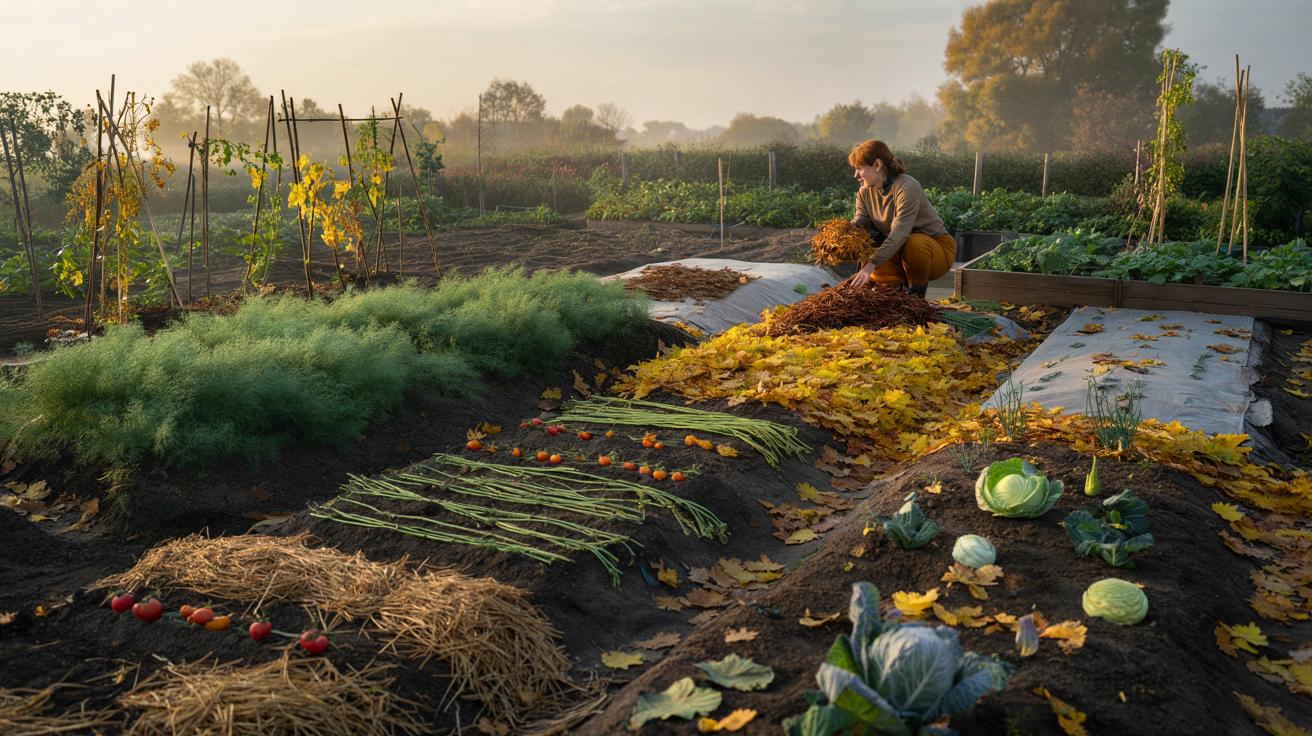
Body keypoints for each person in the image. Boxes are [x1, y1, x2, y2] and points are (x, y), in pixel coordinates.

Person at [842, 140, 956, 298]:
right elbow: (862, 222)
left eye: (859, 169)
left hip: (936, 250)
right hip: (898, 250)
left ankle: (916, 298)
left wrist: (871, 265)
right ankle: (892, 296)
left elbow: (900, 233)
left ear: (877, 165)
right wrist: (844, 230)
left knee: (914, 242)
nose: (856, 175)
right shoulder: (864, 192)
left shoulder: (907, 187)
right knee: (870, 245)